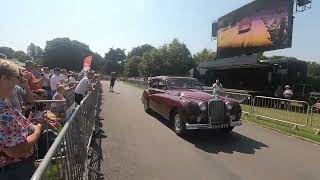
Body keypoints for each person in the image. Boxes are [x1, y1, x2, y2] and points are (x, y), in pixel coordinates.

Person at [0, 59, 45, 179]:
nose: (14, 86)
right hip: (14, 170)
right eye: (14, 81)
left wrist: (27, 124)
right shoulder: (2, 111)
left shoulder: (3, 104)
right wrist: (37, 130)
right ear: (4, 79)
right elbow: (16, 151)